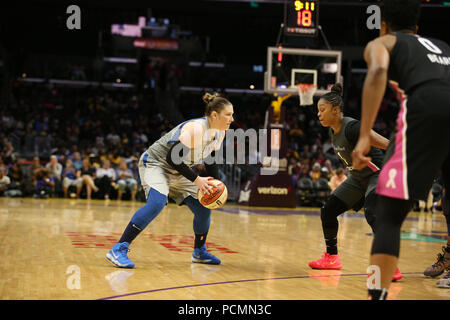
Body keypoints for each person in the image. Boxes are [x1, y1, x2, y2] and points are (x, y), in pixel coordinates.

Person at [351, 0, 450, 299]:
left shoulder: (384, 41)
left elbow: (378, 70)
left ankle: (376, 294)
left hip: (426, 107)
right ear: (417, 28)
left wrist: (364, 135)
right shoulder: (442, 45)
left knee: (389, 215)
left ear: (383, 25)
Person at [308, 84, 403, 280]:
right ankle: (332, 258)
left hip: (377, 174)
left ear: (336, 110)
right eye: (318, 111)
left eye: (322, 110)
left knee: (373, 213)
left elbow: (374, 138)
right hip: (357, 178)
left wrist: (397, 148)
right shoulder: (333, 131)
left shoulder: (351, 126)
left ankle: (390, 265)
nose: (318, 114)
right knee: (328, 211)